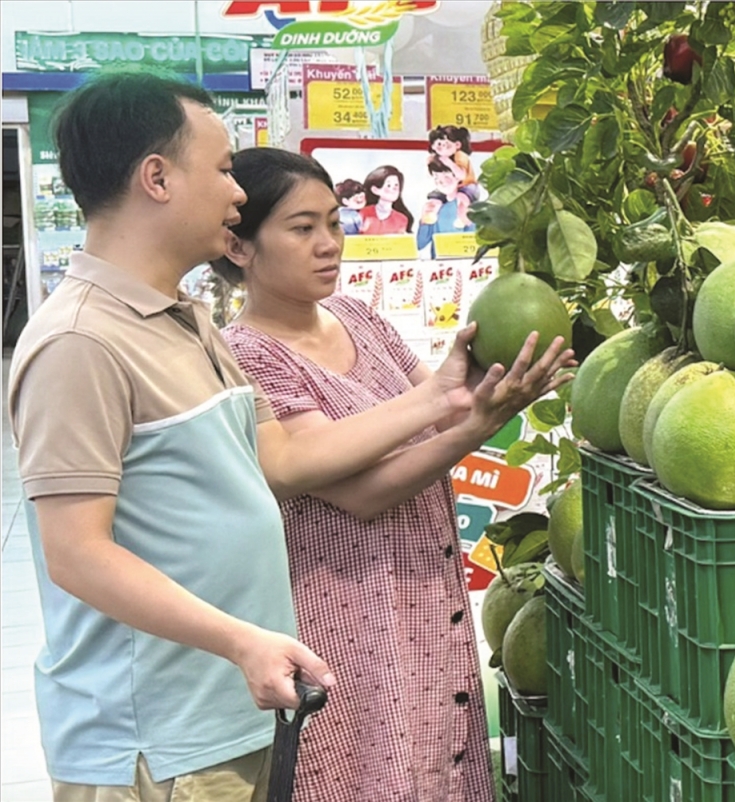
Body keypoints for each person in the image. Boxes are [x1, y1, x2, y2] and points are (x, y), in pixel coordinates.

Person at [6, 71, 570, 802]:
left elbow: (285, 459)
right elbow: (77, 555)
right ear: (156, 178)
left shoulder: (187, 323)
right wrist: (241, 639)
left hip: (231, 715)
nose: (236, 192)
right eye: (218, 169)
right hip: (156, 744)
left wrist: (451, 401)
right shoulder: (80, 340)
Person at [213, 147, 572, 802]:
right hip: (346, 615)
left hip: (424, 593)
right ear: (240, 247)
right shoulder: (246, 357)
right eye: (302, 228)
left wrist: (489, 396)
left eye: (332, 222)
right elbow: (360, 492)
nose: (328, 244)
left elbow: (438, 411)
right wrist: (467, 420)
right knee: (367, 774)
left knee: (438, 762)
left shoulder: (360, 318)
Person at [418, 160, 476, 259]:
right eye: (436, 178)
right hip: (439, 266)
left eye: (446, 177)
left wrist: (468, 222)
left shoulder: (469, 205)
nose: (441, 182)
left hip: (464, 263)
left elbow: (476, 242)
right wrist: (424, 221)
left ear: (458, 178)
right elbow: (420, 243)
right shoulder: (436, 207)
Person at [427, 125, 479, 203]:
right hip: (450, 188)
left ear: (457, 145)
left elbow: (462, 176)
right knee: (434, 201)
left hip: (467, 186)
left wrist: (449, 163)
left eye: (447, 145)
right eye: (439, 145)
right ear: (433, 147)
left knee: (461, 199)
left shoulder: (460, 155)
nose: (443, 148)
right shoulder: (437, 158)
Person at [359, 164, 414, 235]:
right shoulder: (363, 213)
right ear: (375, 190)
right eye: (388, 186)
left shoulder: (402, 219)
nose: (393, 189)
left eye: (396, 185)